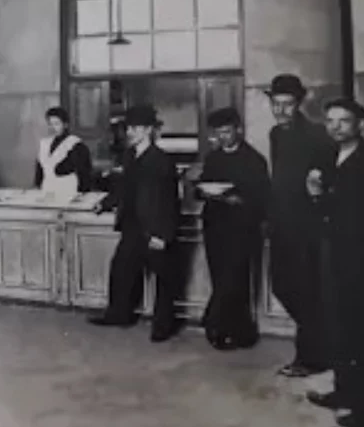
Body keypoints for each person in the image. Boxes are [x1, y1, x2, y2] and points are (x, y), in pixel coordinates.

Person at [88, 106, 180, 342]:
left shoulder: (162, 161)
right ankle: (119, 314)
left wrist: (163, 234)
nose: (130, 132)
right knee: (121, 269)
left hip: (153, 228)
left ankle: (163, 326)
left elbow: (170, 201)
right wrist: (106, 203)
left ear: (149, 130)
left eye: (136, 128)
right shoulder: (129, 156)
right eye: (129, 127)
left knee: (163, 278)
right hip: (131, 225)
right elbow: (124, 188)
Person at [265, 74, 336, 377]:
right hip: (281, 224)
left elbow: (335, 178)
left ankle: (311, 358)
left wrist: (320, 185)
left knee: (308, 291)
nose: (280, 110)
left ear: (299, 103)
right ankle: (323, 345)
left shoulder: (318, 135)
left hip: (308, 227)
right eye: (275, 104)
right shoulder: (275, 135)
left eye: (286, 104)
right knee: (281, 285)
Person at [304, 99, 364, 426]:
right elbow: (328, 208)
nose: (336, 126)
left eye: (344, 121)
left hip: (359, 256)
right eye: (330, 121)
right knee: (339, 326)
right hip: (334, 251)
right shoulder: (328, 158)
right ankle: (344, 392)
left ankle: (360, 406)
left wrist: (320, 195)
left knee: (358, 329)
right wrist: (315, 194)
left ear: (360, 125)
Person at [197, 108, 269, 350]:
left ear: (239, 129)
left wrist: (238, 201)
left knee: (236, 280)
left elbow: (262, 198)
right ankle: (234, 331)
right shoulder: (213, 158)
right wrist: (204, 191)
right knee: (220, 278)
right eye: (218, 133)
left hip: (241, 228)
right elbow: (202, 187)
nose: (223, 137)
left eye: (227, 132)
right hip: (214, 227)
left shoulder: (254, 160)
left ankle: (221, 326)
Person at [34, 107, 93, 199]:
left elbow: (84, 173)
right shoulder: (44, 143)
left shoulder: (75, 145)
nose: (53, 128)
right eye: (50, 124)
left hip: (68, 191)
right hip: (47, 190)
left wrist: (83, 193)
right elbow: (39, 170)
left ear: (65, 125)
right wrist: (38, 186)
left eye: (57, 124)